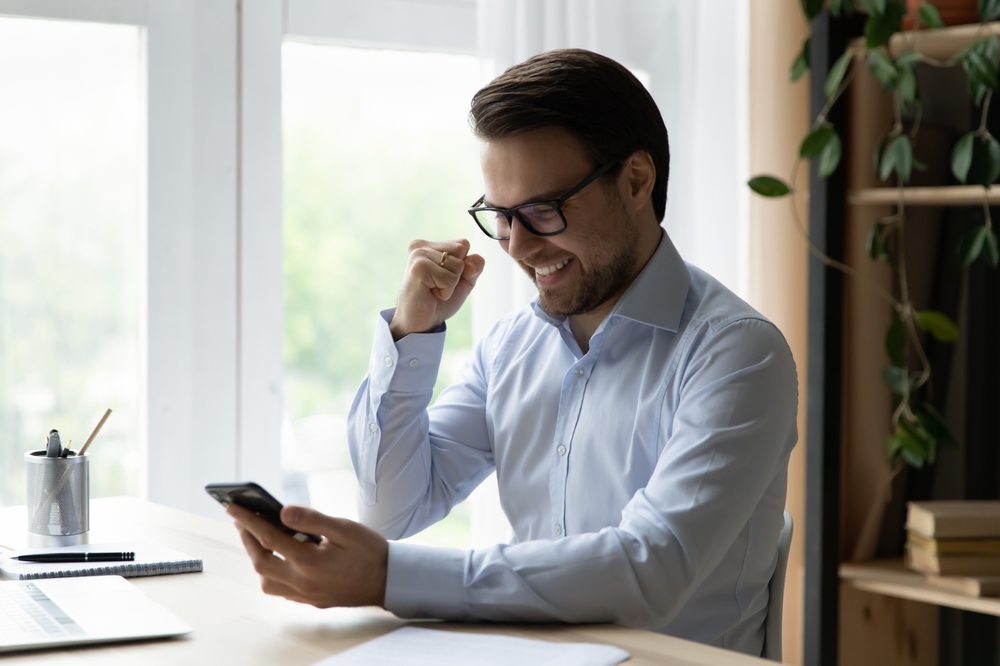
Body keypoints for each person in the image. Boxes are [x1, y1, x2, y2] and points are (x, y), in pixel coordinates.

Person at [228, 48, 797, 657]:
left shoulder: (738, 353)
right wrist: (412, 337)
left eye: (542, 211)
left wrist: (389, 577)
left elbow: (649, 570)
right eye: (500, 216)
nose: (517, 247)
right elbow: (390, 513)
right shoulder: (512, 347)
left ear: (636, 180)